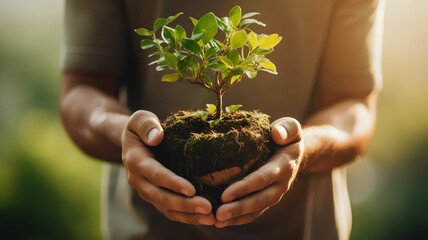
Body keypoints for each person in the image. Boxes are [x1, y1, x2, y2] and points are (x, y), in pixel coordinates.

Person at [59, 0, 384, 239]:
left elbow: (353, 104)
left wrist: (306, 146)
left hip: (305, 229)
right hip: (147, 231)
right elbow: (81, 91)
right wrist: (121, 133)